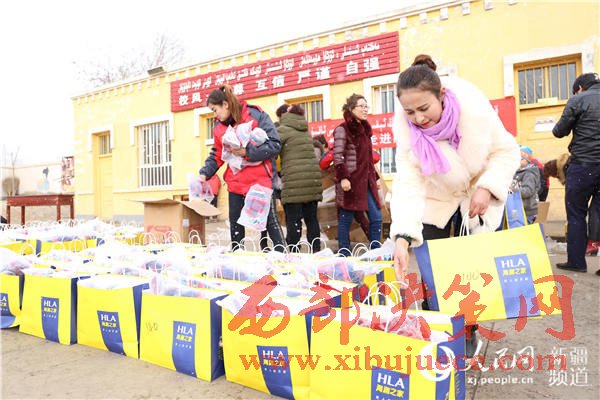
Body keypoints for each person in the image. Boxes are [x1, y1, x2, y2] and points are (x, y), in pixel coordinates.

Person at [389, 55, 520, 357]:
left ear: (442, 95)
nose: (418, 119)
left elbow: (507, 152)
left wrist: (487, 187)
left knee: (469, 274)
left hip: (475, 201)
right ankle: (438, 329)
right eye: (410, 112)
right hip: (434, 202)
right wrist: (402, 237)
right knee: (434, 275)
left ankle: (467, 330)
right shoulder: (408, 136)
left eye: (424, 108)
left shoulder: (476, 112)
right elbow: (408, 185)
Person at [199, 84, 286, 252]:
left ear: (225, 104)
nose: (215, 115)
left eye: (215, 110)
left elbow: (275, 144)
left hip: (260, 183)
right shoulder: (219, 129)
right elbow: (217, 155)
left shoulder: (256, 116)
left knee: (271, 224)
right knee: (236, 227)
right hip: (236, 184)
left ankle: (284, 259)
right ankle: (238, 259)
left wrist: (247, 152)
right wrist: (204, 173)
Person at [552, 72, 600, 273]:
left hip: (583, 165)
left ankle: (577, 262)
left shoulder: (578, 99)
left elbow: (559, 131)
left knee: (576, 214)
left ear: (580, 88)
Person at [334, 94, 382, 256]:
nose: (365, 109)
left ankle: (375, 252)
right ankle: (344, 254)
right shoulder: (342, 129)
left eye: (366, 106)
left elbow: (368, 159)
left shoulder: (365, 130)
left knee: (376, 217)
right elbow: (338, 156)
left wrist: (375, 178)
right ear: (351, 108)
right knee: (346, 219)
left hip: (366, 181)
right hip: (351, 181)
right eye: (361, 106)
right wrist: (343, 177)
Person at [277, 104, 323, 251]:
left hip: (294, 182)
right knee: (311, 219)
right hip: (311, 181)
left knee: (293, 221)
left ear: (283, 116)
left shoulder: (283, 130)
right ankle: (316, 251)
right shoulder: (305, 130)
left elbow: (272, 148)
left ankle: (294, 252)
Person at [544, 153, 600, 256]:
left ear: (556, 172)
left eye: (554, 176)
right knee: (593, 212)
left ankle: (589, 245)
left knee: (582, 215)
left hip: (589, 179)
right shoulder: (571, 161)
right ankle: (591, 244)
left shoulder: (569, 169)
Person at [510, 146, 541, 224]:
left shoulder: (529, 173)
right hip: (518, 209)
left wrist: (512, 189)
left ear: (526, 160)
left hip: (527, 211)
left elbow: (528, 191)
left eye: (519, 159)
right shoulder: (517, 172)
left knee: (523, 229)